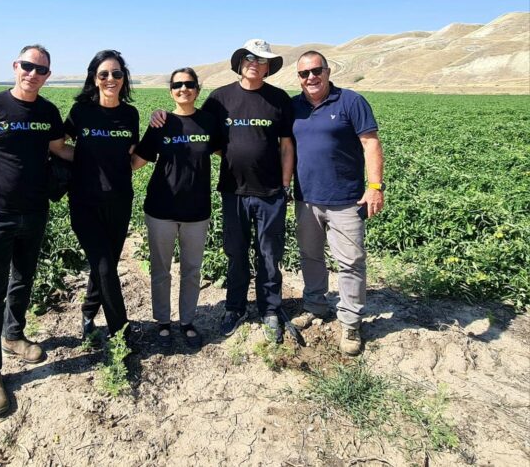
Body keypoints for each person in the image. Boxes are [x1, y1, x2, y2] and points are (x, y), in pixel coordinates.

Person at [0, 44, 72, 417]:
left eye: (41, 69)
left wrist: (107, 153)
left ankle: (14, 335)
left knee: (23, 279)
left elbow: (61, 150)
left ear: (48, 75)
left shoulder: (49, 112)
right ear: (15, 66)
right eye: (27, 66)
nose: (32, 74)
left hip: (34, 213)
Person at [151, 39, 294, 338]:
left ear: (268, 67)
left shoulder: (279, 99)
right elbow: (196, 126)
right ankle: (235, 307)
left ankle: (270, 309)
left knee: (269, 253)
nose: (254, 63)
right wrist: (159, 116)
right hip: (233, 191)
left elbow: (286, 145)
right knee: (236, 252)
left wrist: (284, 184)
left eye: (261, 60)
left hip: (270, 193)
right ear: (240, 63)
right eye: (249, 58)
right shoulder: (219, 98)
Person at [290, 50, 385, 356]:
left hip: (346, 199)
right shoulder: (294, 107)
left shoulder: (350, 102)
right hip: (306, 199)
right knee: (310, 256)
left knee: (351, 262)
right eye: (304, 74)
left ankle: (351, 322)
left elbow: (370, 144)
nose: (311, 78)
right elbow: (283, 149)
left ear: (328, 71)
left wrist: (375, 187)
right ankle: (316, 306)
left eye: (316, 71)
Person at [132, 68, 221, 350]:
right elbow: (138, 160)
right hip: (161, 209)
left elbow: (230, 151)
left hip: (197, 210)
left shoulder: (209, 122)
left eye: (189, 84)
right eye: (178, 85)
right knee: (161, 270)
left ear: (198, 88)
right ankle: (162, 321)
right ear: (171, 90)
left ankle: (187, 321)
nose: (184, 89)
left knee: (192, 270)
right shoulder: (161, 122)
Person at [64, 50, 140, 344]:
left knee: (105, 264)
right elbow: (58, 144)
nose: (111, 79)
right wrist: (83, 158)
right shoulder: (82, 111)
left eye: (117, 74)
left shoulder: (130, 114)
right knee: (105, 266)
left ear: (124, 78)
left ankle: (87, 313)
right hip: (85, 201)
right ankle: (121, 332)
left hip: (120, 201)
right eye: (104, 74)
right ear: (94, 79)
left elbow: (132, 155)